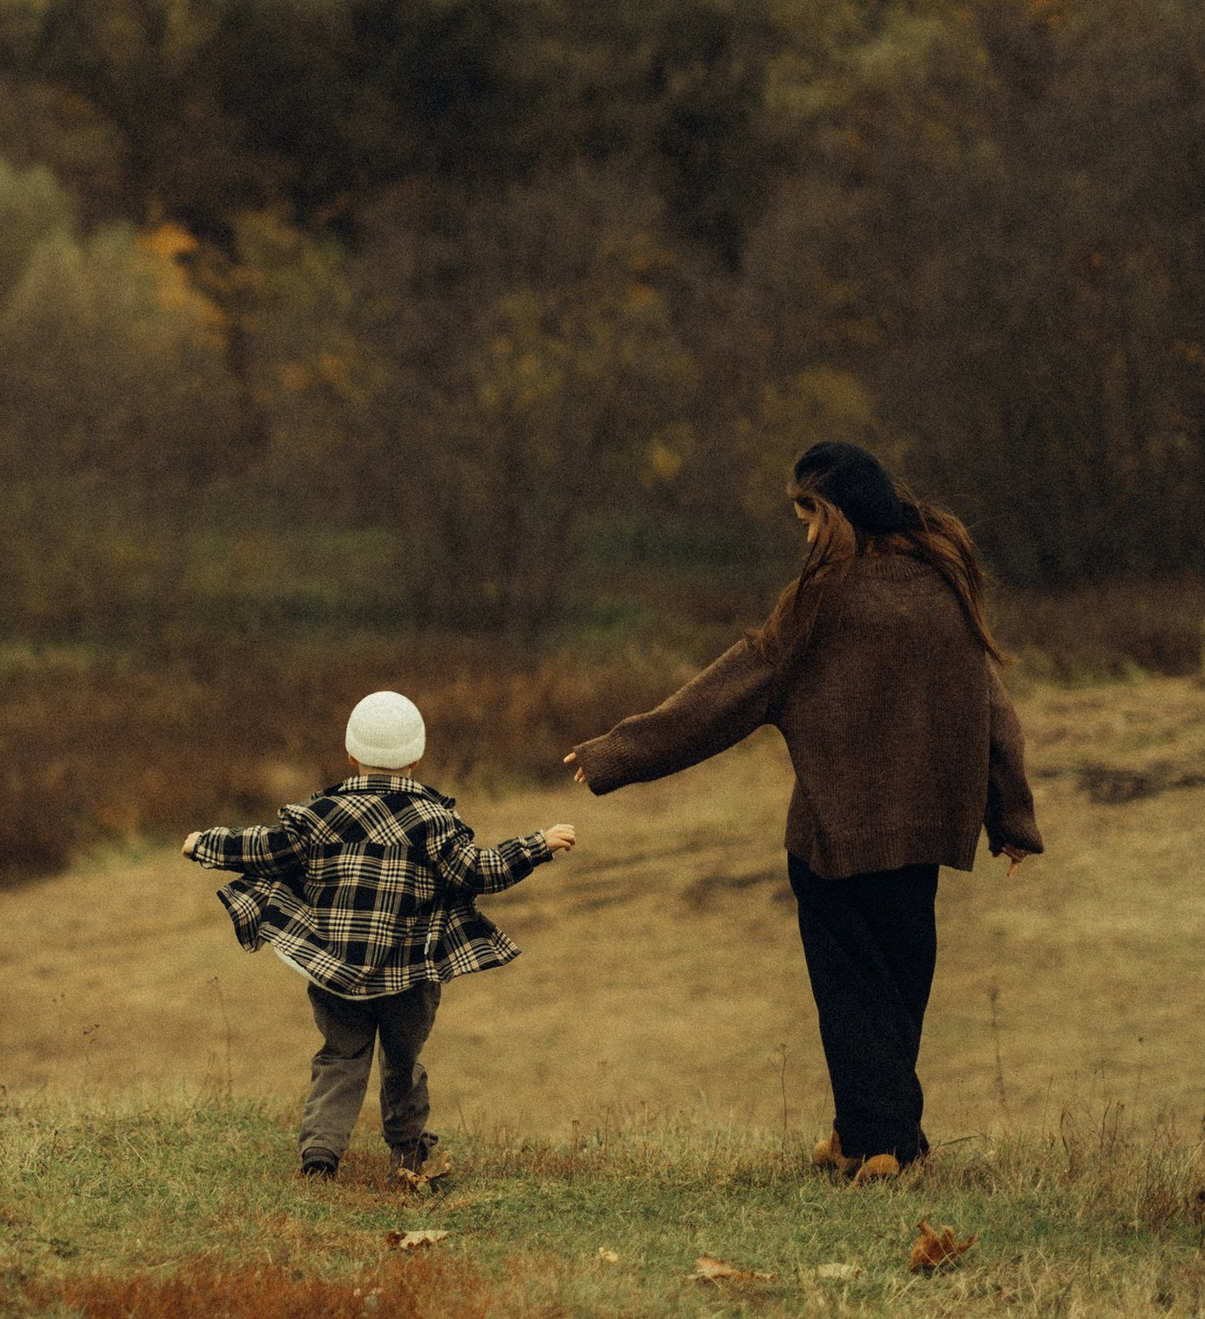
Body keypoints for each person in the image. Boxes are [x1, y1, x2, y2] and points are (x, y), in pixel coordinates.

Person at [567, 439, 1042, 1181]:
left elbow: (731, 690)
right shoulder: (942, 586)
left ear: (842, 512)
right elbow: (992, 707)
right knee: (897, 986)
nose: (808, 533)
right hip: (920, 840)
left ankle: (884, 1148)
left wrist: (617, 754)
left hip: (835, 838)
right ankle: (867, 1140)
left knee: (852, 997)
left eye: (811, 515)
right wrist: (1010, 816)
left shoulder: (823, 602)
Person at [184, 688, 576, 1182]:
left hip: (334, 972)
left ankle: (320, 1157)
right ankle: (409, 1154)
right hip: (411, 975)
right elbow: (479, 872)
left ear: (350, 756)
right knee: (403, 1060)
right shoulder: (434, 821)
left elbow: (264, 847)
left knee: (339, 1056)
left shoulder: (319, 815)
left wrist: (206, 843)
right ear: (416, 757)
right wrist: (537, 845)